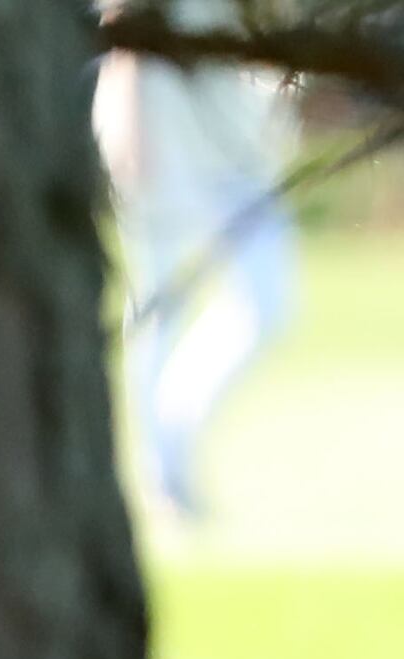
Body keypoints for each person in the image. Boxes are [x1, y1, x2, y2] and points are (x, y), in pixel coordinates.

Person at [96, 9, 300, 521]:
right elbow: (123, 31)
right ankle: (161, 476)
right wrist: (128, 130)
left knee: (269, 304)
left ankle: (172, 431)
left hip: (234, 138)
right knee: (160, 301)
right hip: (156, 132)